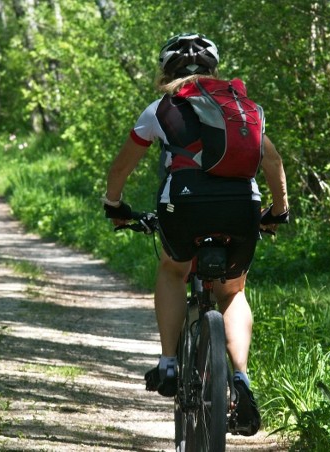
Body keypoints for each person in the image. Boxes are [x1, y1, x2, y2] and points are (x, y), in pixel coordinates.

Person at [102, 33, 289, 436]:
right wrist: (278, 211)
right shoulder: (241, 107)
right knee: (233, 292)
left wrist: (114, 207)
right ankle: (241, 378)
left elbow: (120, 170)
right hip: (242, 207)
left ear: (166, 71)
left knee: (172, 269)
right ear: (213, 70)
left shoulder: (160, 109)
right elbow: (271, 160)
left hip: (183, 207)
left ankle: (169, 363)